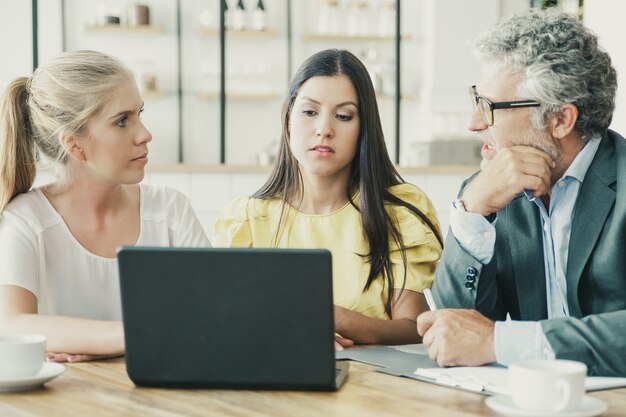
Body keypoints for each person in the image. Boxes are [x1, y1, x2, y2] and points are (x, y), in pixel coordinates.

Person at [417, 9, 626, 376]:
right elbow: (453, 336)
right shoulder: (489, 191)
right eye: (475, 100)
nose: (474, 123)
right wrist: (471, 213)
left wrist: (501, 342)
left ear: (560, 119)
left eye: (490, 107)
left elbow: (484, 339)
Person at [213, 49, 443, 348]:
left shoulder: (401, 212)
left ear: (364, 130)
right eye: (309, 112)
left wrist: (335, 319)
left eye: (343, 116)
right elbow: (228, 324)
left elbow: (416, 329)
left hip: (378, 388)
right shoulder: (245, 220)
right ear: (288, 120)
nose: (324, 129)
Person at [0, 50, 210, 363]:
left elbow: (212, 320)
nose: (145, 134)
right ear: (74, 144)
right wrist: (131, 336)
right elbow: (12, 325)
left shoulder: (171, 211)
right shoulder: (27, 220)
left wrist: (86, 340)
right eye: (122, 121)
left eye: (140, 113)